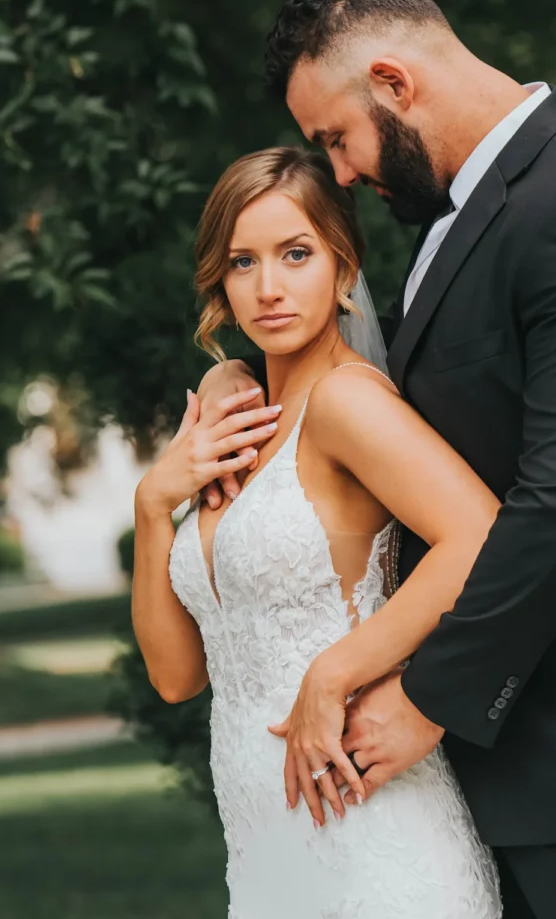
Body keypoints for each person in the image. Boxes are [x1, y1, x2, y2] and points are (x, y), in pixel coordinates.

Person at [193, 0, 556, 919]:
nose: (342, 173)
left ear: (395, 85)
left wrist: (427, 697)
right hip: (490, 777)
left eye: (337, 137)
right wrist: (232, 377)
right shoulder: (461, 220)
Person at [132, 146, 502, 918]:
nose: (268, 287)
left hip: (371, 836)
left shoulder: (346, 404)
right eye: (242, 262)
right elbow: (176, 677)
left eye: (295, 254)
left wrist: (331, 673)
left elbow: (479, 536)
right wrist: (151, 503)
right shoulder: (230, 420)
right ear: (220, 284)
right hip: (267, 852)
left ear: (341, 265)